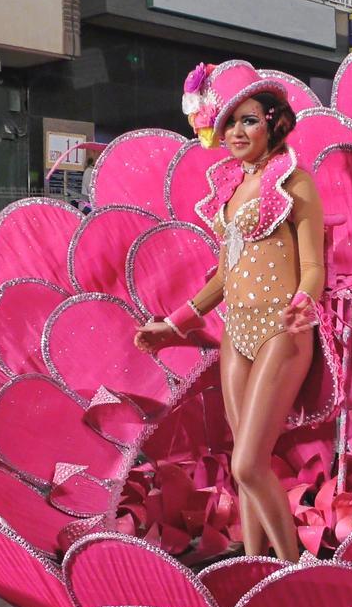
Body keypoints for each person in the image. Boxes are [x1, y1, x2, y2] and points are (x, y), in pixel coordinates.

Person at [135, 63, 326, 562]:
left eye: (248, 120)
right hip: (235, 333)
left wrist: (302, 307)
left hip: (280, 331)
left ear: (273, 122)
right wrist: (173, 324)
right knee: (242, 459)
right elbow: (223, 276)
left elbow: (313, 266)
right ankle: (254, 567)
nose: (236, 133)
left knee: (247, 465)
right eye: (229, 123)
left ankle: (293, 569)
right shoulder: (231, 186)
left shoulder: (295, 181)